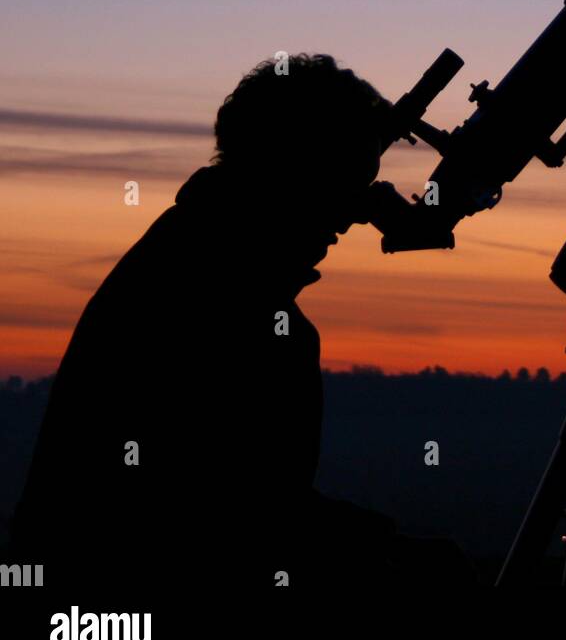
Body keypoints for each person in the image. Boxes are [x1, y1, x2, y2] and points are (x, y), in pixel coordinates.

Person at [12, 54, 467, 596]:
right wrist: (382, 550)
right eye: (346, 182)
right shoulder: (232, 305)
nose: (353, 216)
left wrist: (378, 545)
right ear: (292, 171)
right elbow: (232, 519)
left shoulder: (187, 254)